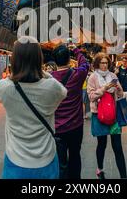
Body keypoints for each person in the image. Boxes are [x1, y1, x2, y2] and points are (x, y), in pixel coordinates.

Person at [0, 36, 67, 179]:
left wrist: (16, 72)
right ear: (39, 59)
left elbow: (10, 78)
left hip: (15, 158)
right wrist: (42, 72)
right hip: (46, 157)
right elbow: (63, 91)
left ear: (14, 59)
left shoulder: (4, 88)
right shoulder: (51, 87)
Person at [51, 43, 89, 179]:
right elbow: (85, 64)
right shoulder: (78, 74)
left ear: (55, 61)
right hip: (75, 126)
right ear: (69, 59)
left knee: (61, 163)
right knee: (75, 157)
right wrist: (76, 50)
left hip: (56, 128)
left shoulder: (49, 79)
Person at [88, 53, 127, 179]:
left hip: (114, 114)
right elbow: (91, 97)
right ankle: (100, 168)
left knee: (117, 146)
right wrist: (104, 88)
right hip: (99, 114)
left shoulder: (113, 76)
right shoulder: (93, 77)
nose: (104, 65)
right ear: (97, 64)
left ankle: (124, 176)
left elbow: (120, 95)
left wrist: (119, 88)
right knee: (102, 143)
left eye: (106, 63)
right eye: (102, 63)